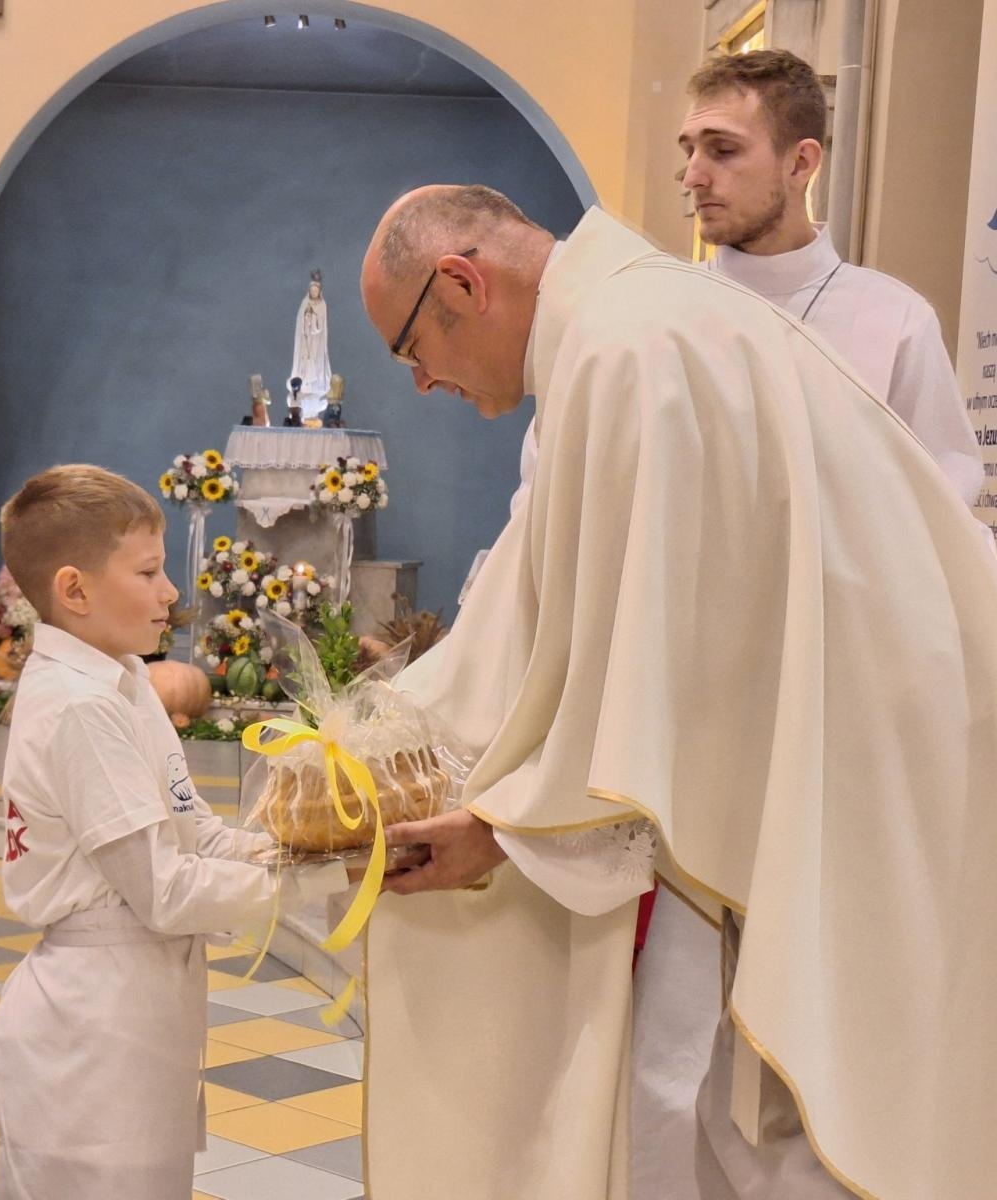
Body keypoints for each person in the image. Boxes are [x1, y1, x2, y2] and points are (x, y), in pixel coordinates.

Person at [356, 185, 997, 1199]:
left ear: (461, 283)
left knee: (798, 1106)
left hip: (875, 753)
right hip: (836, 741)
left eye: (408, 350)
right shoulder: (625, 326)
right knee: (721, 1093)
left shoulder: (630, 349)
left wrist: (500, 826)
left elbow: (639, 653)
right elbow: (550, 602)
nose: (424, 384)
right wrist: (376, 743)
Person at [0, 464, 347, 1199]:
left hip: (136, 1015)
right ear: (74, 591)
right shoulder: (78, 706)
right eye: (149, 571)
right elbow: (166, 890)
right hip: (92, 1031)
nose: (171, 591)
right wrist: (318, 879)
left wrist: (308, 844)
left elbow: (191, 829)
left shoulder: (125, 680)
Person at [680, 48, 981, 502]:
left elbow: (941, 509)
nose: (693, 177)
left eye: (723, 150)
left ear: (800, 163)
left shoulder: (894, 322)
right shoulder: (665, 311)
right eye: (690, 151)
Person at [289, 270, 332, 419]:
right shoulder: (304, 304)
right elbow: (300, 322)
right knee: (304, 364)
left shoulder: (322, 305)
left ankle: (315, 384)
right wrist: (306, 317)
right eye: (312, 290)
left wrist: (313, 318)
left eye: (316, 290)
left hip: (316, 342)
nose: (314, 292)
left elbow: (321, 327)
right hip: (305, 340)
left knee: (315, 362)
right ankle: (302, 384)